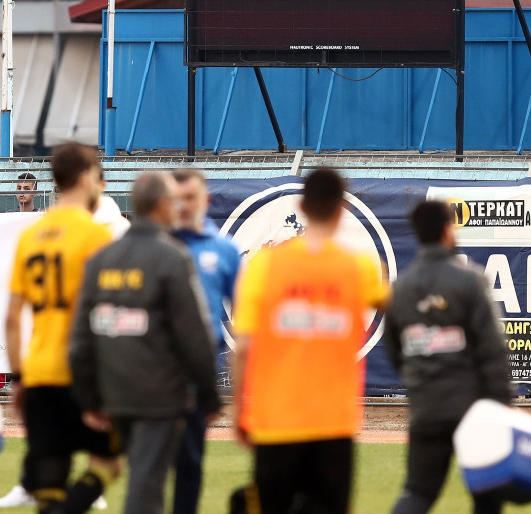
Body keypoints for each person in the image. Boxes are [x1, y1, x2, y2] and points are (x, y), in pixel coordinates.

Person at [231, 167, 388, 514]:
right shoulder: (358, 268)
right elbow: (400, 308)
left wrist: (241, 410)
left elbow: (243, 347)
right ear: (339, 210)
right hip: (334, 420)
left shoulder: (264, 266)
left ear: (302, 207)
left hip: (275, 419)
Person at [70, 172, 222, 514]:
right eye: (174, 201)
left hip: (114, 392)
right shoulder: (172, 257)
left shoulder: (100, 259)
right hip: (159, 394)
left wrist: (89, 396)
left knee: (140, 476)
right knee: (146, 484)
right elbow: (193, 334)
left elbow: (80, 337)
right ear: (162, 204)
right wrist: (208, 393)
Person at [7, 142, 120, 514]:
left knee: (49, 479)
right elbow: (104, 316)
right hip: (80, 372)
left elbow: (11, 319)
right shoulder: (95, 236)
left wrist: (19, 377)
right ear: (87, 177)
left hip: (39, 372)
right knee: (108, 465)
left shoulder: (30, 236)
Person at [385, 200, 512, 514]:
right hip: (474, 408)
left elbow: (394, 351)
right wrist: (503, 403)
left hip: (427, 408)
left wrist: (421, 380)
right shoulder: (470, 280)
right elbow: (492, 348)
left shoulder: (400, 288)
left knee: (418, 492)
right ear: (447, 230)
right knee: (487, 496)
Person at [169, 168, 242, 514]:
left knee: (190, 462)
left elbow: (246, 313)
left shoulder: (224, 251)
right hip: (150, 369)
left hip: (197, 374)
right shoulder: (155, 245)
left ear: (205, 200)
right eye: (177, 198)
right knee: (146, 464)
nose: (183, 206)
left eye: (191, 198)